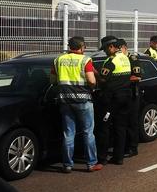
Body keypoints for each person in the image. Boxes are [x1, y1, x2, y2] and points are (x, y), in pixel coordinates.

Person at [51, 36, 102, 173]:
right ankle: (91, 164)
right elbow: (91, 80)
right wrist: (94, 86)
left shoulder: (58, 60)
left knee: (68, 134)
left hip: (65, 101)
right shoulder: (85, 60)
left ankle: (67, 165)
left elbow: (52, 80)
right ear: (82, 47)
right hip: (83, 100)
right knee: (88, 133)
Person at [96, 35, 133, 165]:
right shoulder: (125, 58)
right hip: (126, 98)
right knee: (120, 128)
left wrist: (95, 72)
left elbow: (102, 80)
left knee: (104, 128)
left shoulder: (110, 61)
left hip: (112, 101)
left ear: (111, 47)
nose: (105, 51)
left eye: (105, 49)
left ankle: (102, 158)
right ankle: (119, 157)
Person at [117, 39, 142, 158]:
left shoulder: (133, 59)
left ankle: (132, 148)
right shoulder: (117, 60)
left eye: (119, 48)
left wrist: (121, 80)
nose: (117, 51)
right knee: (122, 123)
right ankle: (123, 146)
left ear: (124, 48)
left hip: (132, 94)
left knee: (132, 122)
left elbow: (137, 77)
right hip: (121, 95)